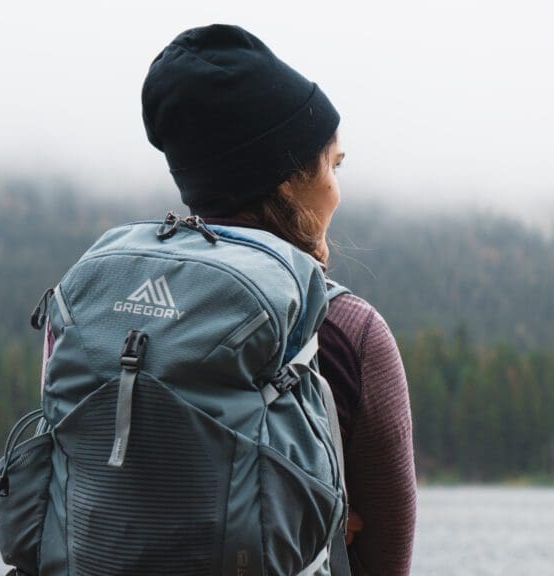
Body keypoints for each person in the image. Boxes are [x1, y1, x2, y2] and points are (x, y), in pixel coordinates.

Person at [140, 24, 417, 575]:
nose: (338, 188)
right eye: (333, 165)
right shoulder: (345, 330)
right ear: (289, 181)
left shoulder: (105, 301)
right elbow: (386, 559)